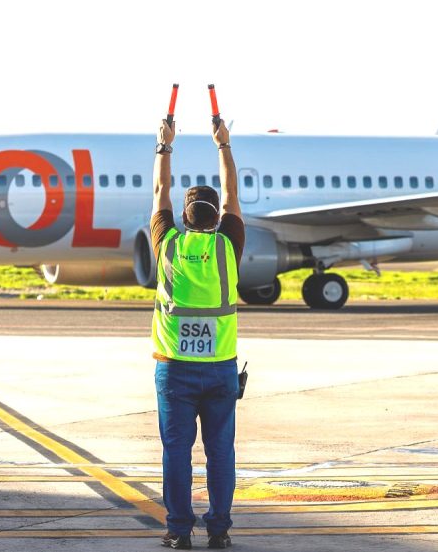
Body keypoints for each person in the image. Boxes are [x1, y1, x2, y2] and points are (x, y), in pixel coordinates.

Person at [150, 114, 245, 550]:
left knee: (176, 453)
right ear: (216, 217)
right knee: (220, 453)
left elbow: (159, 191)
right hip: (220, 370)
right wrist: (223, 144)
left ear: (184, 218)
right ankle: (219, 531)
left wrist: (164, 145)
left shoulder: (168, 245)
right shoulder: (228, 246)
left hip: (175, 369)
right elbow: (233, 194)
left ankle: (178, 530)